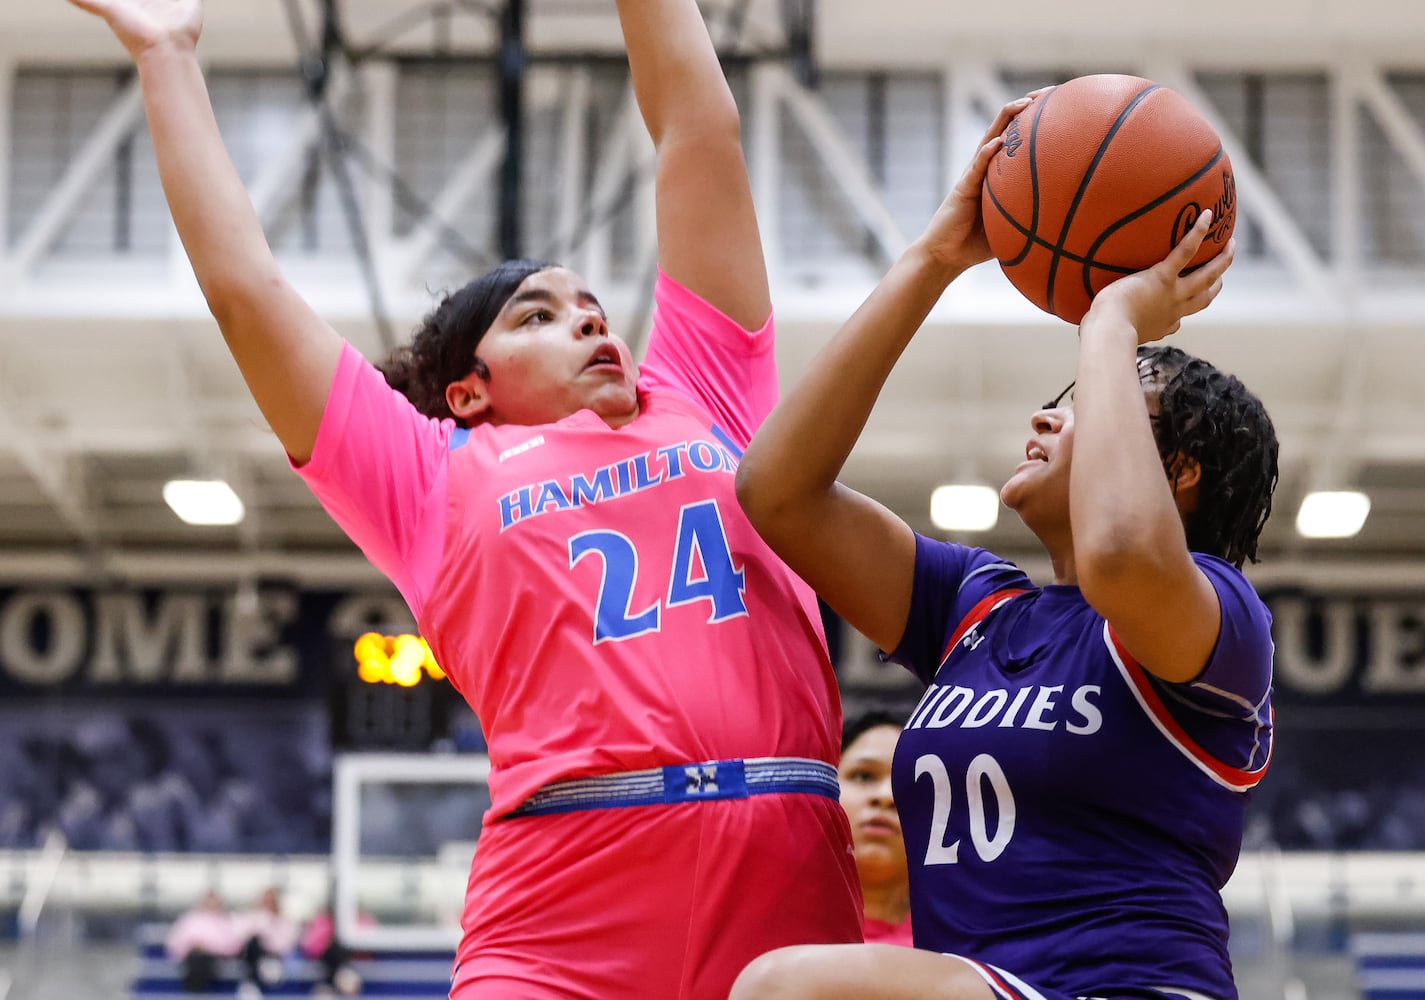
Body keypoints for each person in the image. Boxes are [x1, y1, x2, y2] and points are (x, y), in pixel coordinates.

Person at [64, 0, 861, 996]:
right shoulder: (429, 477)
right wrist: (166, 53)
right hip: (564, 894)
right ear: (469, 390)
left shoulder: (707, 392)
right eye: (541, 313)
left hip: (782, 864)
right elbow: (246, 292)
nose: (586, 322)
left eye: (593, 308)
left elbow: (699, 132)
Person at [731, 96, 1278, 1000]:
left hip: (1132, 988)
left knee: (785, 988)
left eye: (1084, 402)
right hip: (996, 985)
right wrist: (932, 259)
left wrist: (1110, 324)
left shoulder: (1222, 620)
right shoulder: (975, 608)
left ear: (1173, 468)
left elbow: (1118, 558)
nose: (1043, 415)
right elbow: (775, 491)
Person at [839, 707, 914, 947]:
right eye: (863, 776)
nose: (886, 796)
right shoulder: (769, 927)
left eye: (908, 783)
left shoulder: (967, 949)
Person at [164, 890, 241, 994]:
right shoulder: (189, 919)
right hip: (191, 957)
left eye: (214, 901)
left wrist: (208, 947)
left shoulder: (227, 921)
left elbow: (234, 946)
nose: (211, 904)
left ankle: (195, 993)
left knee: (200, 960)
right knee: (196, 959)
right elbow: (173, 943)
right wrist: (191, 946)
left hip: (215, 958)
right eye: (209, 901)